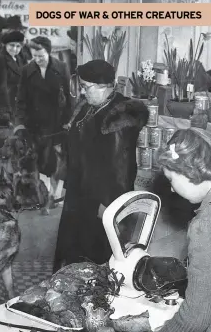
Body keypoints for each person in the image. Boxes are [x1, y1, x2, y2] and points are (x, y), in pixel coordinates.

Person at [118, 128, 211, 332]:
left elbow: (195, 317)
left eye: (172, 180)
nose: (171, 189)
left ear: (191, 173)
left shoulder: (209, 224)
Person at [53, 60, 149, 271]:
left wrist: (110, 205)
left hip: (100, 200)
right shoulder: (90, 107)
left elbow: (122, 168)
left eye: (86, 87)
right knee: (74, 252)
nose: (83, 92)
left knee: (95, 256)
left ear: (105, 86)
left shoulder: (119, 118)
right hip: (80, 193)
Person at [14, 36, 71, 180]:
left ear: (49, 52)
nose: (38, 59)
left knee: (54, 163)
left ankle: (51, 196)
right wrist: (20, 123)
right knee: (34, 162)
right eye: (35, 56)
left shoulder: (62, 67)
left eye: (41, 56)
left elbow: (69, 97)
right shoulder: (26, 70)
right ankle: (38, 194)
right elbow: (21, 100)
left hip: (56, 124)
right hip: (33, 124)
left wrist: (68, 120)